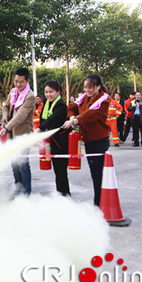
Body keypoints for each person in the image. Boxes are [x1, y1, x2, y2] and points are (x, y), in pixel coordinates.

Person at [63, 74, 110, 206]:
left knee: (98, 173)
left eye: (90, 87)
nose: (87, 90)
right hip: (88, 140)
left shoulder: (103, 101)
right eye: (85, 87)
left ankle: (100, 203)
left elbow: (91, 114)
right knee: (94, 173)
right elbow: (71, 107)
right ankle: (99, 200)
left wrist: (76, 120)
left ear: (98, 86)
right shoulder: (84, 98)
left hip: (99, 141)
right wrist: (72, 117)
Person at [0, 67, 35, 195]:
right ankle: (18, 189)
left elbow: (20, 116)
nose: (18, 85)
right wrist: (4, 116)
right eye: (16, 81)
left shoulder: (30, 96)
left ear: (27, 81)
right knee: (14, 164)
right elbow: (6, 106)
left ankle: (26, 193)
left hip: (23, 135)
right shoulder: (13, 92)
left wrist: (6, 127)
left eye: (21, 82)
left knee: (23, 165)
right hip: (11, 134)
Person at [34, 80, 70, 196]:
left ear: (58, 91)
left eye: (51, 92)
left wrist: (40, 129)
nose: (48, 94)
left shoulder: (60, 105)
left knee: (61, 171)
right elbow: (43, 118)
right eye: (46, 92)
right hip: (52, 142)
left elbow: (52, 119)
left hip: (61, 143)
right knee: (57, 171)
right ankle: (61, 193)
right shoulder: (46, 103)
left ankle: (65, 195)